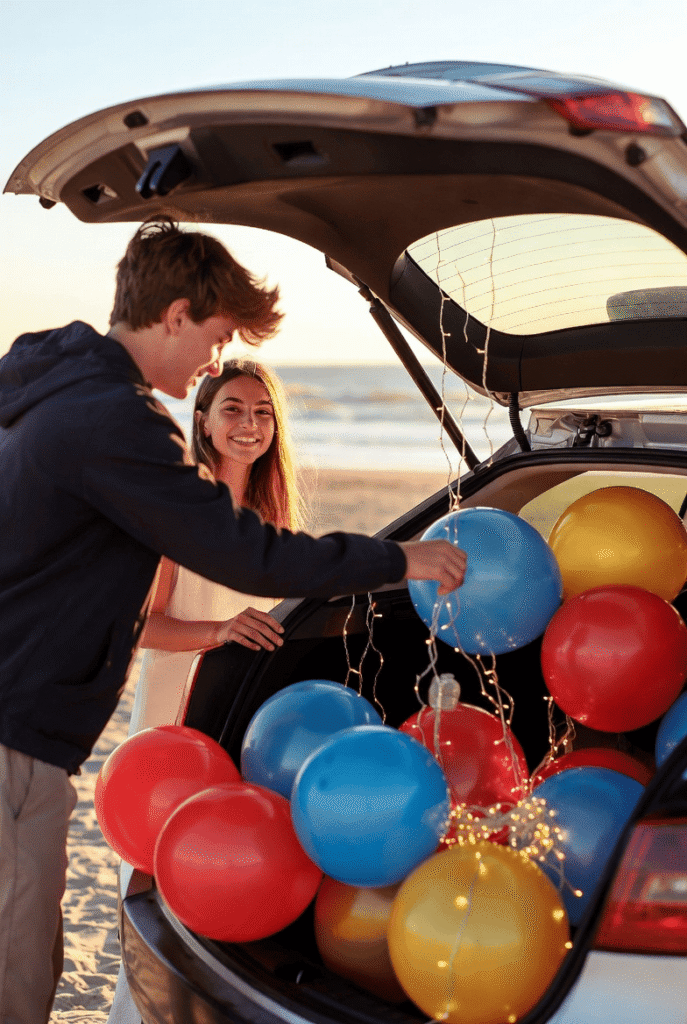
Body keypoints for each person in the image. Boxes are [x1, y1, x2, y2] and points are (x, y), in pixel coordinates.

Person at [0, 217, 467, 1024]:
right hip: (13, 734)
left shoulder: (53, 387)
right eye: (216, 338)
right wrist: (400, 559)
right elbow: (245, 554)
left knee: (27, 954)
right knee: (13, 973)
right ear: (175, 315)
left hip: (27, 729)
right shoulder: (112, 421)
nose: (214, 360)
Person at [129, 357, 302, 733]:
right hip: (174, 710)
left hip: (242, 708)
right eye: (232, 409)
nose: (250, 423)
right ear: (203, 422)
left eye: (263, 412)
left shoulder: (274, 517)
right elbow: (141, 626)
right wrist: (220, 631)